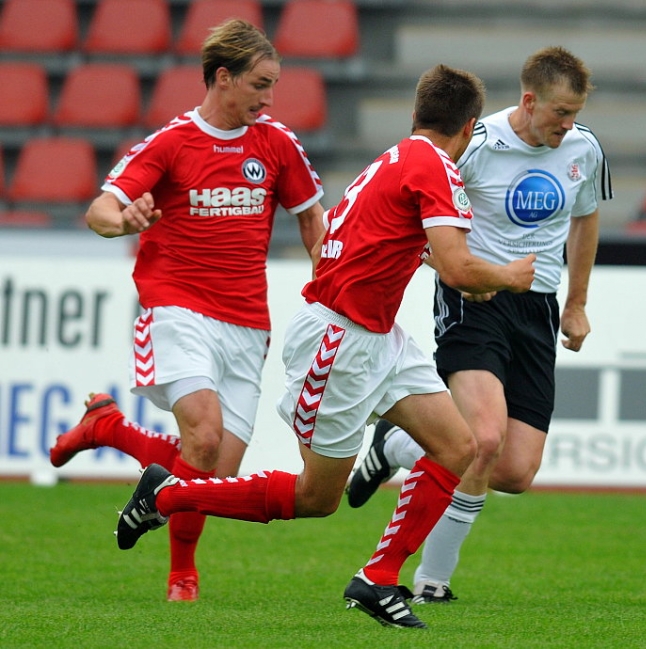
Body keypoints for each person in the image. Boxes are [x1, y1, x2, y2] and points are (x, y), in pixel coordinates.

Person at [113, 63, 535, 629]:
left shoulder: (398, 157)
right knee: (317, 498)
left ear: (416, 115)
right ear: (470, 127)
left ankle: (378, 578)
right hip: (340, 339)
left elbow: (395, 241)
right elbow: (457, 266)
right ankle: (168, 496)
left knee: (460, 448)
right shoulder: (436, 168)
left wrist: (460, 270)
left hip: (378, 335)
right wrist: (505, 276)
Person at [49, 19, 325, 602]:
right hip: (178, 308)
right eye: (259, 83)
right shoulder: (171, 143)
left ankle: (110, 428)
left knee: (213, 474)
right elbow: (102, 208)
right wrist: (121, 221)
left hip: (248, 322)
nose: (269, 97)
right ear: (222, 78)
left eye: (273, 84)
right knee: (201, 436)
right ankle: (183, 574)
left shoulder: (277, 143)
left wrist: (331, 287)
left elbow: (310, 219)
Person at [346, 46, 613, 604]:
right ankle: (431, 580)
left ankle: (397, 446)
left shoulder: (585, 148)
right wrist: (463, 271)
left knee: (515, 471)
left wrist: (577, 303)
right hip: (476, 302)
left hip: (537, 308)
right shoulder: (477, 147)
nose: (569, 125)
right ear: (529, 100)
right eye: (560, 113)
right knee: (483, 438)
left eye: (575, 113)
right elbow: (410, 221)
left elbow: (585, 221)